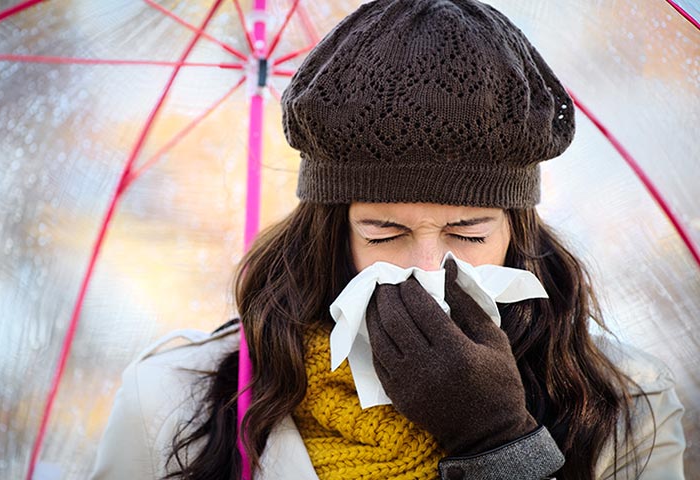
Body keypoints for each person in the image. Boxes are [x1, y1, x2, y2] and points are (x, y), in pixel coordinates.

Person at [91, 0, 686, 478]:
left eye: (468, 233)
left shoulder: (628, 407)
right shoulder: (170, 403)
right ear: (330, 233)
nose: (427, 269)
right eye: (384, 232)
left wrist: (500, 444)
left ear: (516, 231)